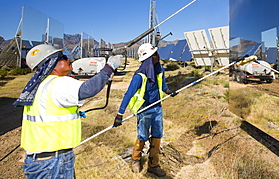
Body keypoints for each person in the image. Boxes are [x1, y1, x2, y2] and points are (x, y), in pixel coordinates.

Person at [13, 44, 123, 179]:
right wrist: (109, 67)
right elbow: (88, 89)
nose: (69, 60)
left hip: (39, 160)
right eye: (64, 58)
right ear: (52, 63)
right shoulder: (58, 83)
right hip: (53, 163)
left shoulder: (40, 86)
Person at [113, 43, 176, 177]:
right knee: (143, 135)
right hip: (145, 109)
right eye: (154, 55)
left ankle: (153, 165)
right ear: (148, 59)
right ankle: (136, 159)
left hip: (157, 108)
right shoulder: (139, 76)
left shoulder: (160, 71)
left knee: (158, 135)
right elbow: (128, 94)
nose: (158, 57)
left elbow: (163, 86)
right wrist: (120, 114)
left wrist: (169, 91)